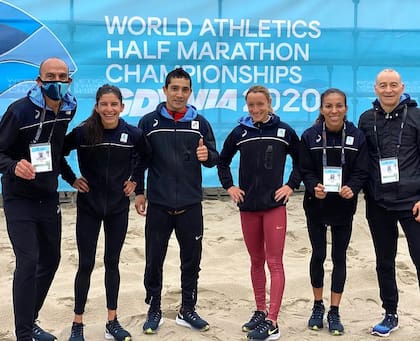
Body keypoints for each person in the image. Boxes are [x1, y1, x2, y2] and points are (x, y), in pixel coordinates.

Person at [60, 84, 149, 341]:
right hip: (89, 207)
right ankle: (78, 324)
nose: (109, 109)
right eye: (104, 104)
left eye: (114, 105)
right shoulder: (83, 133)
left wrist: (134, 180)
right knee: (86, 264)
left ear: (122, 107)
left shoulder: (132, 133)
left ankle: (112, 321)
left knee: (112, 263)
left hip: (118, 209)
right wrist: (71, 179)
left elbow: (145, 156)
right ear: (97, 107)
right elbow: (57, 153)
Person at [134, 68, 219, 335]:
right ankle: (154, 308)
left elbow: (215, 157)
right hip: (158, 204)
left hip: (191, 204)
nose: (179, 94)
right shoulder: (148, 122)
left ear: (190, 92)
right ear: (165, 90)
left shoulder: (200, 123)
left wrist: (207, 156)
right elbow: (139, 161)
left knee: (191, 260)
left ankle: (188, 308)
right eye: (174, 88)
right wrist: (139, 192)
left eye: (184, 89)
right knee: (154, 259)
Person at [0, 58, 77, 341]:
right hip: (18, 197)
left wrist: (70, 178)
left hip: (48, 195)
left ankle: (30, 322)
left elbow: (56, 150)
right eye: (50, 76)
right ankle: (22, 334)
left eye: (62, 76)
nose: (56, 81)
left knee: (51, 259)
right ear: (39, 80)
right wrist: (13, 166)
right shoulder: (18, 111)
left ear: (68, 81)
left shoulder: (69, 108)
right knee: (28, 260)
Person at [217, 85, 301, 340]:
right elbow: (223, 160)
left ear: (269, 103)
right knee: (256, 261)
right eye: (251, 105)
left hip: (274, 207)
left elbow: (302, 160)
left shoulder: (284, 131)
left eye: (260, 104)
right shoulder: (240, 132)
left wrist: (291, 185)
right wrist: (229, 186)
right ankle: (260, 311)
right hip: (249, 207)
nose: (255, 109)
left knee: (274, 262)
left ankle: (272, 321)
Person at [300, 88, 369, 336]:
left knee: (339, 258)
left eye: (339, 105)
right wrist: (312, 186)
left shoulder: (356, 136)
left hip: (343, 207)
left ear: (346, 108)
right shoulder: (310, 136)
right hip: (316, 206)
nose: (334, 110)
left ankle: (335, 310)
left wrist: (353, 187)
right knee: (318, 255)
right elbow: (304, 169)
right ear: (321, 109)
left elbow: (363, 170)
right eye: (328, 106)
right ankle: (317, 306)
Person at [358, 69, 420, 337]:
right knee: (385, 261)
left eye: (393, 85)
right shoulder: (366, 119)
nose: (388, 90)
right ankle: (390, 313)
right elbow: (359, 161)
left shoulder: (417, 117)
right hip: (378, 202)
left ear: (402, 87)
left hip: (412, 202)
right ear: (375, 88)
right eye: (383, 85)